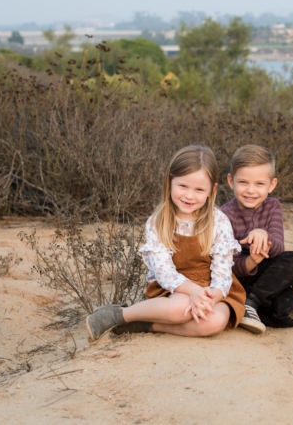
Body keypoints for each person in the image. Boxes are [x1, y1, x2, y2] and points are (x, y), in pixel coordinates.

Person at [85, 145, 246, 341]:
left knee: (213, 322)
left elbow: (223, 273)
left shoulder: (219, 221)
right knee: (180, 309)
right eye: (183, 186)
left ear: (211, 191)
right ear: (170, 182)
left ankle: (149, 324)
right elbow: (164, 272)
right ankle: (119, 315)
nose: (189, 195)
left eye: (199, 189)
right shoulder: (158, 222)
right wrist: (193, 291)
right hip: (174, 287)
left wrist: (209, 297)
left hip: (212, 288)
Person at [221, 145, 293, 333]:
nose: (251, 190)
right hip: (238, 278)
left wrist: (265, 234)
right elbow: (227, 265)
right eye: (243, 182)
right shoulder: (224, 215)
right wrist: (251, 261)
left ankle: (250, 304)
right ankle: (246, 304)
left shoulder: (273, 206)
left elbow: (278, 248)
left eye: (259, 184)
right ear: (231, 181)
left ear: (272, 185)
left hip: (266, 280)